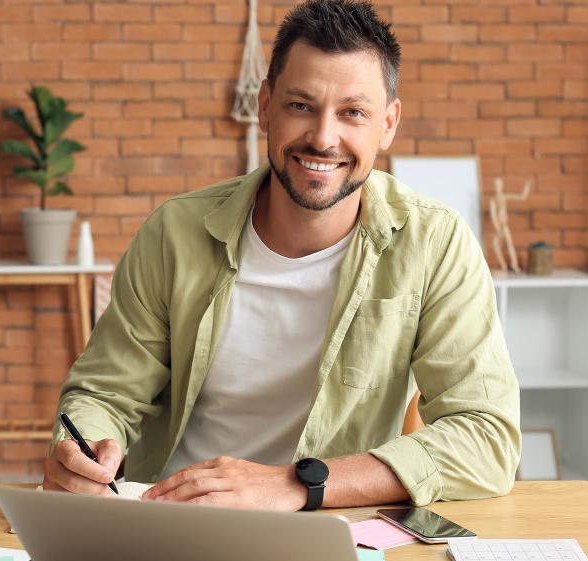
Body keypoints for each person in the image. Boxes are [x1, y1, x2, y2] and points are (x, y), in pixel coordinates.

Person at [42, 0, 520, 511]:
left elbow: (487, 438)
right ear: (266, 104)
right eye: (301, 105)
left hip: (328, 523)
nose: (323, 137)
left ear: (388, 123)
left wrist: (300, 484)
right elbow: (104, 394)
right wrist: (85, 449)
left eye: (353, 112)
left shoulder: (435, 243)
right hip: (168, 514)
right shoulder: (173, 232)